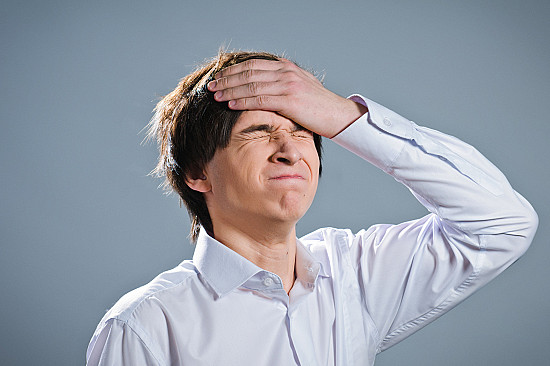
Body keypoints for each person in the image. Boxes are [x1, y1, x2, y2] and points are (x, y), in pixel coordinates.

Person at [86, 51, 538, 365]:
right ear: (197, 174)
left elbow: (503, 224)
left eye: (303, 130)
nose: (290, 150)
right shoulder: (144, 326)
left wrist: (341, 114)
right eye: (258, 132)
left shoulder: (354, 275)